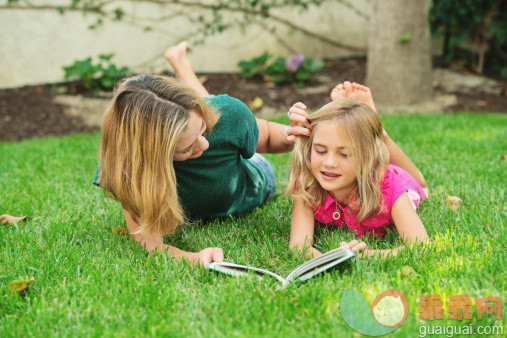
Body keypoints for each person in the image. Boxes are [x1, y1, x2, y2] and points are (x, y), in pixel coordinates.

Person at [94, 42, 310, 266]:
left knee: (214, 112)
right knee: (207, 118)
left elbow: (267, 138)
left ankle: (182, 66)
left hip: (253, 174)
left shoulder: (230, 116)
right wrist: (194, 258)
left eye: (203, 130)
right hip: (212, 134)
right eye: (187, 148)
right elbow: (150, 244)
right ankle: (180, 63)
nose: (204, 145)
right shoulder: (127, 170)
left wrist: (292, 134)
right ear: (151, 156)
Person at [286, 84, 430, 259]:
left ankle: (380, 133)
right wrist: (330, 260)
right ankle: (361, 122)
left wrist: (366, 255)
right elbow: (298, 246)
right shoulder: (307, 183)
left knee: (424, 189)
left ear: (368, 157)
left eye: (345, 154)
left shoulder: (391, 188)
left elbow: (421, 247)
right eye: (320, 151)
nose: (329, 163)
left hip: (398, 181)